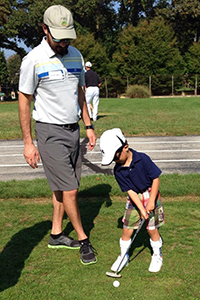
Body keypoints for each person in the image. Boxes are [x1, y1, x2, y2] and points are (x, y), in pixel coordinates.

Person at [18, 5, 97, 265]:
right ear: (44, 29)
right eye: (59, 37)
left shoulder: (75, 55)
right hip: (49, 132)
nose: (64, 42)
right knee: (71, 190)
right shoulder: (33, 59)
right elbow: (24, 100)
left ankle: (56, 234)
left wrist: (88, 126)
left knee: (63, 188)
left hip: (73, 130)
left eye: (67, 37)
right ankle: (84, 240)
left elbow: (81, 94)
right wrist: (29, 143)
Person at [100, 128, 165, 272]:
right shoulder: (118, 170)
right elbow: (130, 191)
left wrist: (151, 200)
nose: (115, 161)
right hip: (134, 198)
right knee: (127, 229)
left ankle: (157, 254)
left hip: (150, 193)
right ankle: (124, 256)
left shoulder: (143, 159)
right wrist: (141, 209)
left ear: (125, 147)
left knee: (152, 228)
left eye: (115, 157)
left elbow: (155, 178)